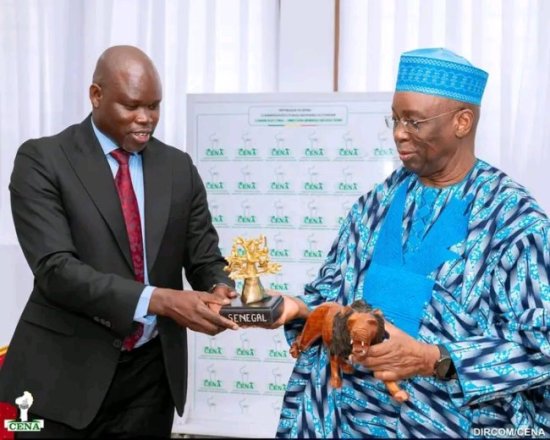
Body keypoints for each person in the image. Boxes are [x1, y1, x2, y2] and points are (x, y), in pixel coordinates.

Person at [272, 48, 550, 438]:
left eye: (414, 121)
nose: (399, 133)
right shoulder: (375, 204)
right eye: (396, 118)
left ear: (462, 122)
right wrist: (298, 308)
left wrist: (430, 359)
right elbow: (330, 297)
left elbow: (541, 345)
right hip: (342, 420)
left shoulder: (513, 221)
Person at [0, 45, 239, 438]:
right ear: (96, 95)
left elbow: (204, 257)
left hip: (149, 381)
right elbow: (56, 271)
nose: (146, 118)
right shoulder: (43, 160)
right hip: (62, 377)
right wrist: (162, 300)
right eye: (131, 106)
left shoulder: (178, 168)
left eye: (154, 106)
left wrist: (220, 289)